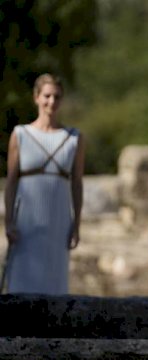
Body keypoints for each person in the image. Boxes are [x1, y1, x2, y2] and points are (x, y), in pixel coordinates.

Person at [3, 74, 85, 294]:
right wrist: (8, 221)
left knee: (54, 278)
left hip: (58, 219)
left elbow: (77, 183)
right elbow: (11, 182)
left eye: (57, 96)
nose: (52, 101)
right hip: (26, 221)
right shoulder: (21, 134)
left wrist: (76, 223)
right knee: (22, 276)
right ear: (37, 98)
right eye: (47, 96)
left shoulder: (74, 138)